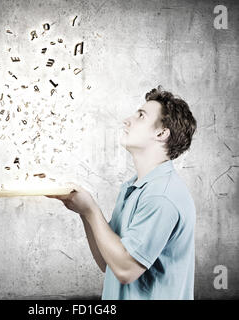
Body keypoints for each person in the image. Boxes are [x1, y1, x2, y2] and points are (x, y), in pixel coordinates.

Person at [46, 86, 197, 300]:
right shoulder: (132, 187)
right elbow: (108, 262)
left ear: (161, 133)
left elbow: (127, 270)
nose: (127, 120)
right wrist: (82, 211)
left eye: (141, 116)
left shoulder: (162, 197)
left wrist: (91, 211)